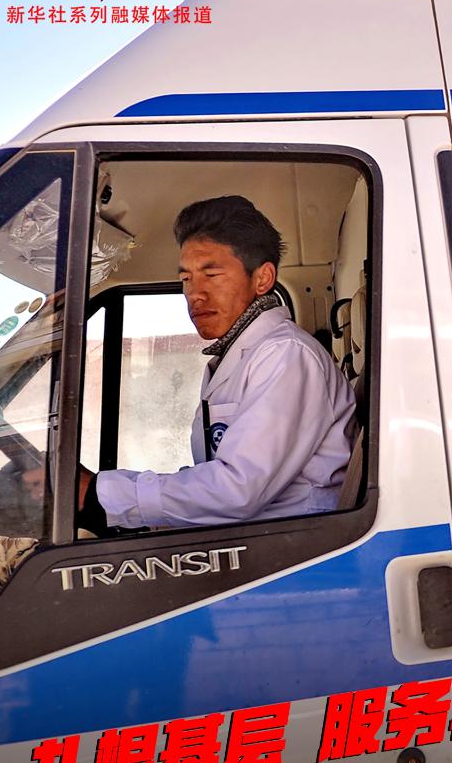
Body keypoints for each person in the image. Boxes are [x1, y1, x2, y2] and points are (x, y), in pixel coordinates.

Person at [79, 195, 357, 533]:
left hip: (296, 548)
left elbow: (238, 490)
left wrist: (100, 496)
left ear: (262, 279)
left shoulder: (286, 355)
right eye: (186, 279)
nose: (195, 294)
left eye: (211, 274)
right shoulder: (238, 355)